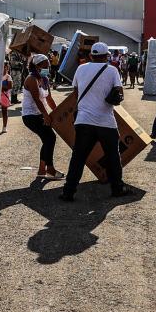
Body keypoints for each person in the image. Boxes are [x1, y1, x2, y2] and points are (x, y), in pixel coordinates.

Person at [59, 42, 132, 202]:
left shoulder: (81, 68)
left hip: (84, 121)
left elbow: (76, 92)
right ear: (107, 56)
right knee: (113, 156)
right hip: (106, 121)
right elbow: (119, 93)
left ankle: (68, 192)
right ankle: (117, 189)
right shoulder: (112, 70)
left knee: (78, 157)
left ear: (91, 55)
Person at [22, 53, 63, 180]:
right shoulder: (31, 79)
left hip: (40, 114)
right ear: (37, 66)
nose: (48, 67)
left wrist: (57, 112)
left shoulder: (44, 79)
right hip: (31, 116)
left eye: (49, 65)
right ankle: (49, 169)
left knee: (48, 139)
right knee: (50, 138)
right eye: (46, 65)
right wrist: (46, 115)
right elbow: (36, 100)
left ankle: (42, 170)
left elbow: (48, 98)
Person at [0, 64, 12, 134]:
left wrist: (1, 87)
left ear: (7, 69)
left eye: (5, 68)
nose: (4, 69)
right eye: (2, 67)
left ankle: (4, 127)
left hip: (4, 95)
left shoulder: (8, 77)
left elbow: (10, 86)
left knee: (4, 111)